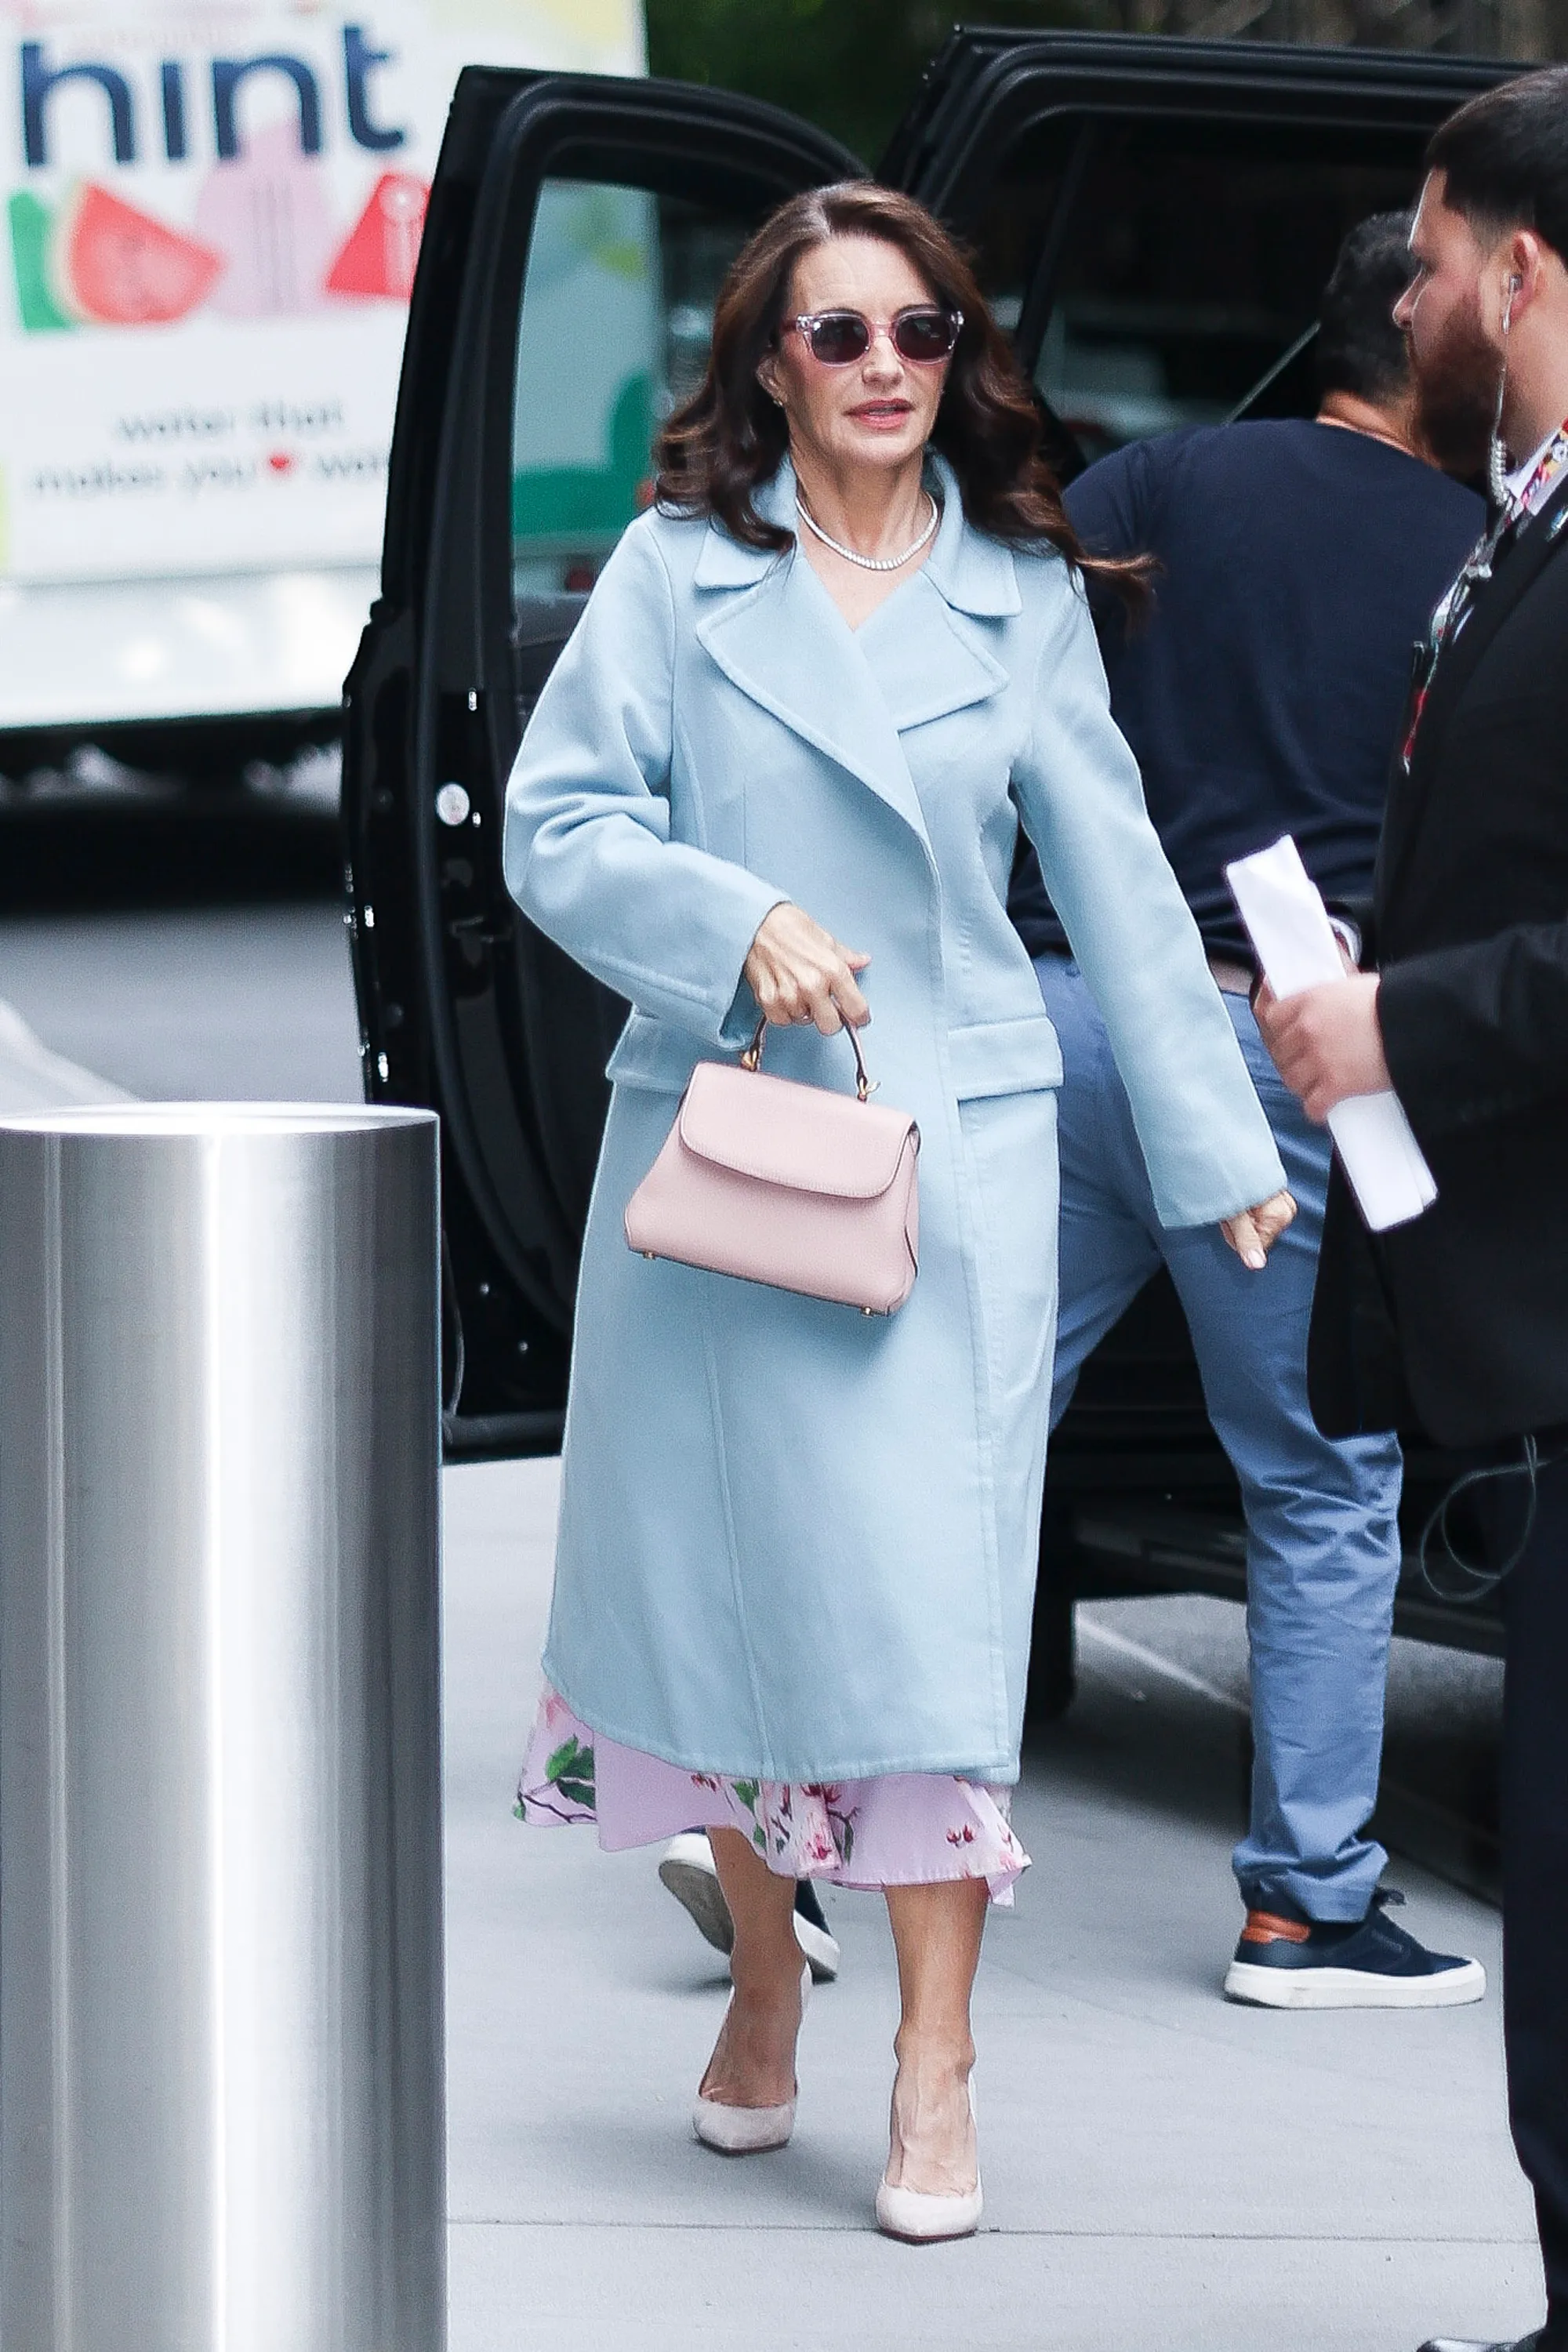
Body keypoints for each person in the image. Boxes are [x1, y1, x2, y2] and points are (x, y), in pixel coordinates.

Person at [503, 180, 1291, 2241]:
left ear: (962, 357)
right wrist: (730, 915)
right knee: (730, 1604)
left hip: (948, 1181)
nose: (881, 371)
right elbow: (554, 825)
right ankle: (767, 1980)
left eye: (919, 334)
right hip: (718, 1171)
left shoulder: (1021, 598)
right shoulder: (679, 577)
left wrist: (1221, 1162)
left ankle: (935, 2064)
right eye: (838, 335)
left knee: (931, 1627)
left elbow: (1121, 886)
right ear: (770, 359)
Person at [1007, 212, 1486, 2006]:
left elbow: (1013, 685)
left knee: (967, 1439)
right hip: (1281, 1057)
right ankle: (1306, 1902)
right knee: (1317, 1478)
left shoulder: (1161, 482)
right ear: (1424, 333)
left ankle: (826, 1836)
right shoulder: (1488, 561)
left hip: (1070, 1023)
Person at [1256, 69, 1568, 2352]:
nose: (1420, 294)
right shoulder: (1518, 516)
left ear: (1527, 272)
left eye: (1444, 255)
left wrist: (1403, 1029)